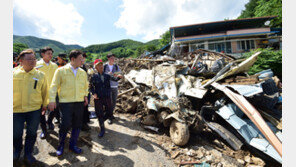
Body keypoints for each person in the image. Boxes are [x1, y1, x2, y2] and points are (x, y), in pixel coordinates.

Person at [48, 50, 89, 156]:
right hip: (65, 103)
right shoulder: (61, 71)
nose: (82, 60)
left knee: (77, 124)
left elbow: (85, 85)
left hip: (79, 102)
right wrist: (52, 100)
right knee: (65, 124)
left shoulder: (82, 72)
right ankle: (61, 145)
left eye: (82, 59)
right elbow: (53, 86)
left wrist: (85, 95)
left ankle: (73, 145)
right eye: (80, 59)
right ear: (73, 59)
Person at [13, 49, 48, 164]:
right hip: (16, 109)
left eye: (34, 59)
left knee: (32, 133)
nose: (33, 61)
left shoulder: (40, 75)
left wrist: (44, 105)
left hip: (34, 110)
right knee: (16, 133)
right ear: (21, 61)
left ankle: (28, 153)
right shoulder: (13, 73)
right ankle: (17, 151)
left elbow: (44, 91)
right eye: (29, 59)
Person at [36, 47, 58, 139]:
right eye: (48, 53)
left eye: (51, 53)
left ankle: (49, 121)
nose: (50, 55)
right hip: (40, 92)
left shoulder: (54, 65)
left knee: (55, 109)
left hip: (53, 92)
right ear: (42, 54)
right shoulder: (37, 65)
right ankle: (44, 130)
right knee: (41, 112)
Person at [89, 59, 112, 137]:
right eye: (99, 65)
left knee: (110, 112)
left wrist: (119, 77)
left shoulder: (107, 75)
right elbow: (90, 87)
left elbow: (115, 79)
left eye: (101, 65)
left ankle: (101, 120)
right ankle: (102, 128)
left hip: (107, 96)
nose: (101, 66)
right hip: (98, 97)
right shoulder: (94, 77)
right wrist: (93, 93)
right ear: (96, 67)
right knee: (99, 113)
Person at [103, 53, 123, 124]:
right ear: (108, 58)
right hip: (108, 87)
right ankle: (109, 116)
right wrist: (108, 74)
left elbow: (120, 73)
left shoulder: (116, 66)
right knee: (109, 102)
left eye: (114, 58)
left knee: (114, 102)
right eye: (111, 58)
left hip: (115, 86)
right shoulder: (104, 66)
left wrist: (119, 75)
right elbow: (102, 75)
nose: (113, 60)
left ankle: (110, 114)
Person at [49, 53, 68, 125]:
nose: (63, 60)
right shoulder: (54, 66)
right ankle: (51, 121)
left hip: (63, 89)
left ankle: (60, 120)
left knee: (62, 106)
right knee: (55, 106)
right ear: (58, 58)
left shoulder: (66, 66)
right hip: (56, 88)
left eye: (64, 58)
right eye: (61, 58)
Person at [81, 53, 91, 131]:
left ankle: (85, 122)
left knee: (85, 106)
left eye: (84, 58)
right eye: (82, 58)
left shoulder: (84, 67)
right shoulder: (78, 67)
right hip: (79, 91)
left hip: (85, 90)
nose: (83, 60)